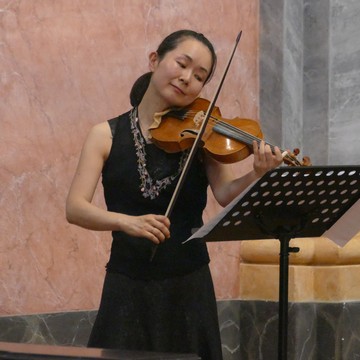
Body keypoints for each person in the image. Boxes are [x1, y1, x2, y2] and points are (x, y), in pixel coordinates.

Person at [66, 29, 284, 360]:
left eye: (200, 76)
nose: (187, 79)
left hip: (189, 283)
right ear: (155, 60)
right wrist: (128, 223)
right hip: (128, 285)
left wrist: (257, 173)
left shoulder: (203, 136)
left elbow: (225, 193)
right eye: (182, 64)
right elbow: (75, 208)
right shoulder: (104, 135)